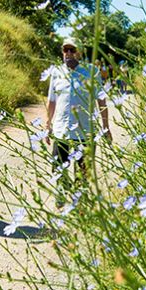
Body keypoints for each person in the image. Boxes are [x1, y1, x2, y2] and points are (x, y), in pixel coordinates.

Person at [46, 38, 112, 205]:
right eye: (65, 50)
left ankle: (80, 201)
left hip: (85, 131)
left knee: (83, 170)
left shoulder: (92, 72)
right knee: (58, 166)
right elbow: (51, 101)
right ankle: (61, 192)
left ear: (79, 52)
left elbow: (101, 100)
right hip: (62, 130)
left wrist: (106, 127)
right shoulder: (56, 72)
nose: (68, 53)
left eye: (72, 50)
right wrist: (48, 125)